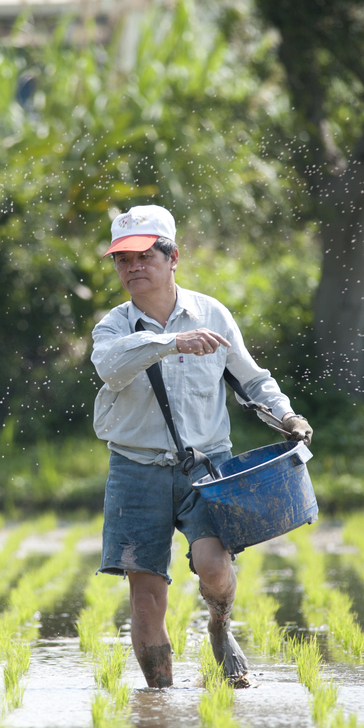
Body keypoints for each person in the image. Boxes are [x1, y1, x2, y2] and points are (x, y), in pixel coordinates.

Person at [91, 204, 312, 688]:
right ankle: (160, 701)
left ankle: (219, 623)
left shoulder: (212, 314)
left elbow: (252, 381)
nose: (132, 268)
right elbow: (109, 366)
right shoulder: (113, 327)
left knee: (214, 568)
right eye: (122, 261)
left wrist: (288, 416)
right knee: (146, 600)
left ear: (173, 259)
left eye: (144, 257)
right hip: (134, 471)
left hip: (206, 468)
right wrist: (171, 343)